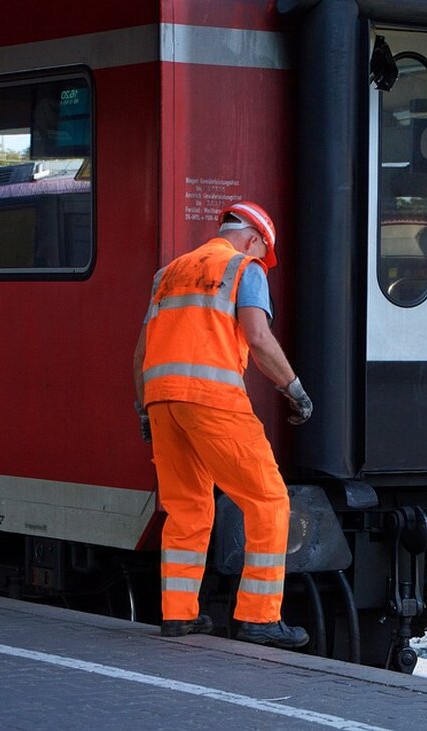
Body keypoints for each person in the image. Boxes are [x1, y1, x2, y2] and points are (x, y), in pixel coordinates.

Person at [132, 201, 312, 649]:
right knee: (268, 500)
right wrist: (293, 388)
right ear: (254, 240)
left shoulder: (168, 274)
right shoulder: (244, 268)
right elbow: (257, 336)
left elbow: (140, 355)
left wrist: (144, 409)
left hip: (161, 401)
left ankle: (177, 614)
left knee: (187, 508)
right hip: (212, 400)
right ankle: (259, 617)